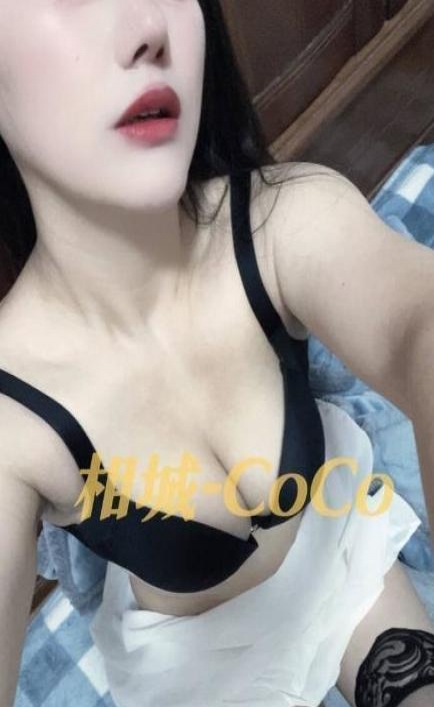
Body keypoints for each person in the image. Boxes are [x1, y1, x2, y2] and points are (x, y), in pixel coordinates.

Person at [0, 1, 433, 706]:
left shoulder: (281, 223)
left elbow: (418, 322)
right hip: (197, 669)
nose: (150, 26)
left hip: (343, 559)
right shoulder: (13, 413)